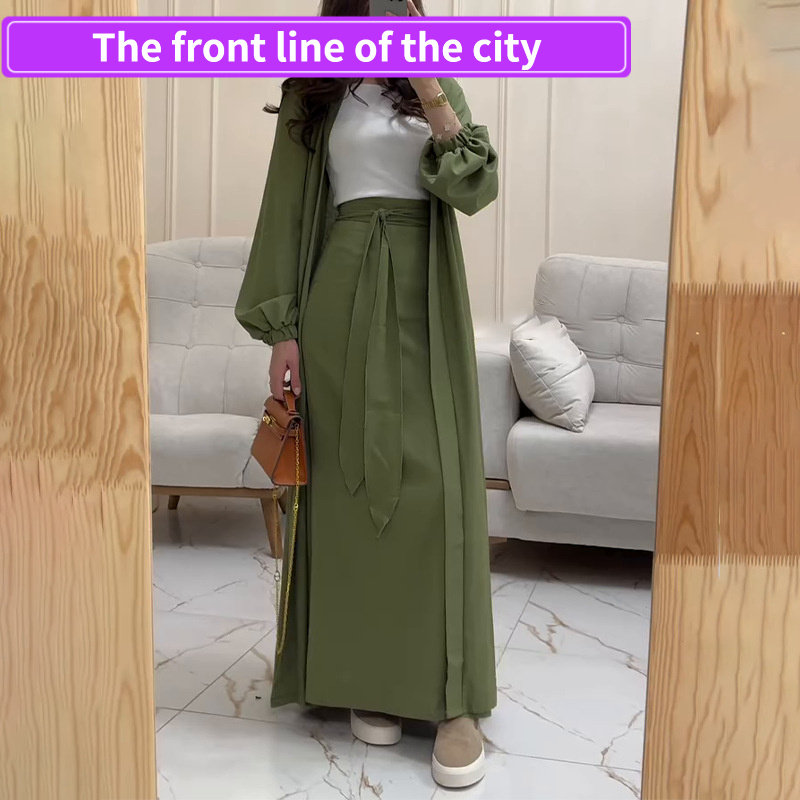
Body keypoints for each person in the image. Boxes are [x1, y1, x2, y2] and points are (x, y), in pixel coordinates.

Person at [235, 0, 498, 788]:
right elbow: (285, 208)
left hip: (425, 292)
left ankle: (453, 701)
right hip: (339, 290)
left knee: (436, 486)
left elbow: (475, 184)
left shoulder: (435, 70)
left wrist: (428, 81)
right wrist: (283, 330)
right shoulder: (313, 85)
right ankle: (366, 677)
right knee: (349, 486)